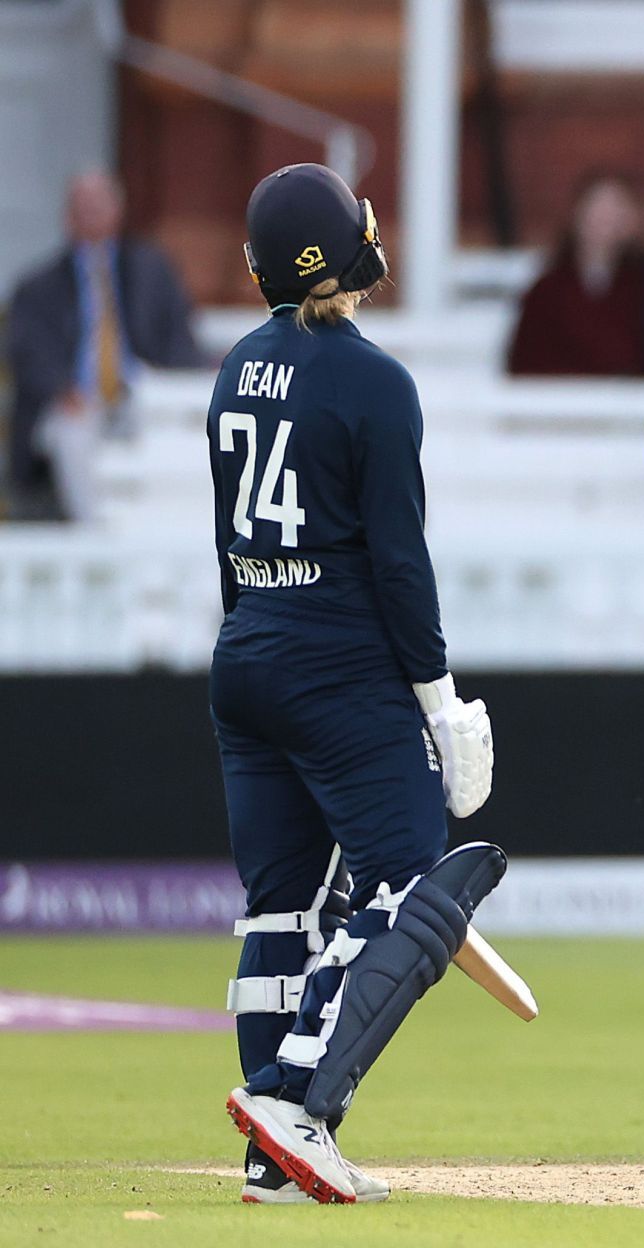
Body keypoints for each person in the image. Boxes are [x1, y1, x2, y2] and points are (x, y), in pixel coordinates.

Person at [210, 164, 499, 1203]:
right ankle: (296, 1103)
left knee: (277, 911)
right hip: (337, 666)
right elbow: (397, 562)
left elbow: (228, 544)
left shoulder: (235, 367)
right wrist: (441, 702)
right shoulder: (377, 383)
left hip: (246, 654)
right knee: (406, 878)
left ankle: (268, 1159)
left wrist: (256, 637)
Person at [7, 171, 202, 521]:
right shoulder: (38, 285)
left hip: (140, 394)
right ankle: (97, 538)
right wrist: (60, 388)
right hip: (77, 401)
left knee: (173, 434)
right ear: (67, 216)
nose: (91, 215)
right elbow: (28, 352)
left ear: (118, 211)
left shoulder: (152, 271)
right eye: (82, 207)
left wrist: (169, 382)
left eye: (99, 206)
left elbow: (179, 339)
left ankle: (164, 534)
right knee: (71, 435)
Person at [506, 171, 644, 376]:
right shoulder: (547, 290)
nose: (606, 217)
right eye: (598, 206)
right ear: (577, 212)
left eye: (617, 208)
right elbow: (525, 362)